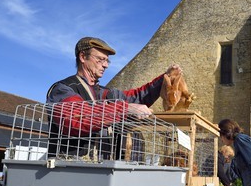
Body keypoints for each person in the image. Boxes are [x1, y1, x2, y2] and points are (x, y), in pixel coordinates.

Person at [46, 36, 181, 156]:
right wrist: (124, 109)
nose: (105, 65)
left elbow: (137, 96)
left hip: (100, 170)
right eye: (100, 59)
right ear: (82, 57)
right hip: (68, 169)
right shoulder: (64, 89)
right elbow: (76, 119)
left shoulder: (104, 93)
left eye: (107, 61)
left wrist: (164, 79)